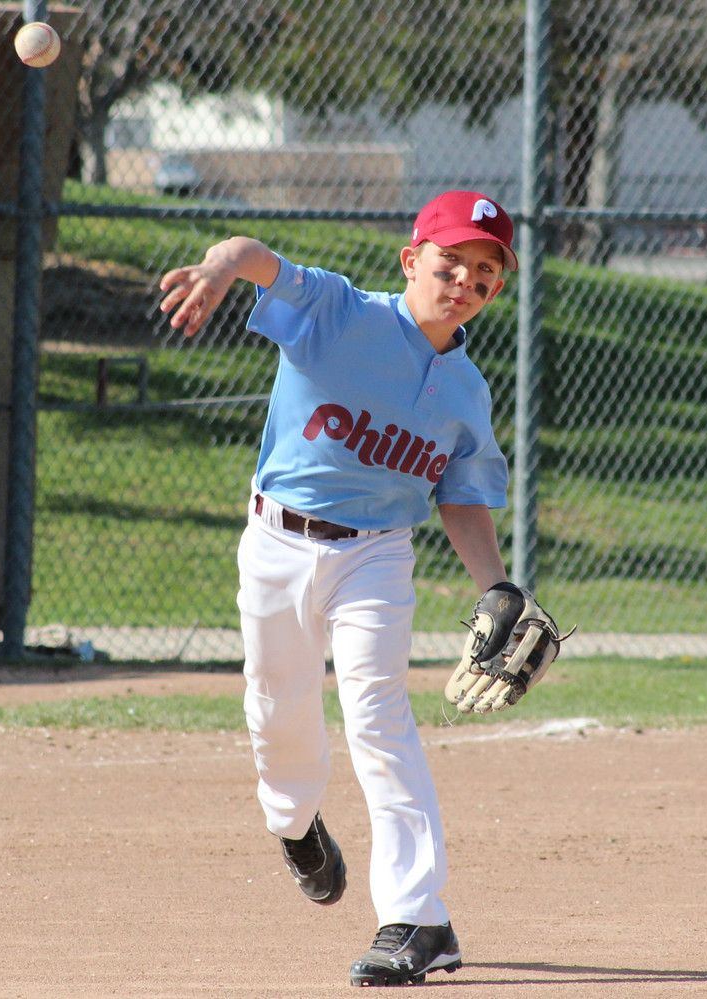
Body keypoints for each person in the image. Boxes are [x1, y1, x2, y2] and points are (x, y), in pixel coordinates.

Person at [159, 190, 518, 987]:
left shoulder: (466, 392)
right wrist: (219, 267)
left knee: (379, 716)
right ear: (411, 260)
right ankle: (293, 824)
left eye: (483, 271)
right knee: (276, 709)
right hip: (276, 542)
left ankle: (417, 917)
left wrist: (495, 587)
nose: (463, 280)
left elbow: (460, 497)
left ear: (496, 288)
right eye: (449, 262)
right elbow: (257, 258)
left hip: (375, 557)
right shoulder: (340, 311)